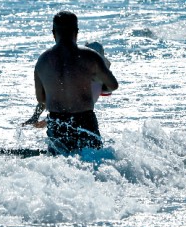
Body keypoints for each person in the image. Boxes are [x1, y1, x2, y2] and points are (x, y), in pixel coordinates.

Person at [23, 11, 118, 154]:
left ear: (53, 33)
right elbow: (113, 85)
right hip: (85, 121)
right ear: (76, 32)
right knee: (93, 162)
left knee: (59, 162)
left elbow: (41, 98)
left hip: (57, 123)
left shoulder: (42, 61)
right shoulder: (91, 56)